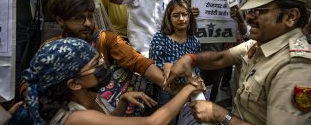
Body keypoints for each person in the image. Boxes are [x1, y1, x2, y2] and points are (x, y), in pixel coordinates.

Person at [164, 0, 311, 125]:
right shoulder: (260, 44)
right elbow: (220, 58)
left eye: (260, 10)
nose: (249, 17)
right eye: (251, 10)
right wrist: (190, 59)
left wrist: (220, 115)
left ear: (290, 16)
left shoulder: (297, 69)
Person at [21, 38, 206, 124]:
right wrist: (188, 88)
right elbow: (153, 123)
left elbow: (107, 122)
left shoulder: (79, 101)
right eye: (95, 64)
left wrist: (123, 101)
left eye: (100, 59)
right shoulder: (77, 118)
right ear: (74, 83)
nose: (103, 65)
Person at [149, 0, 201, 109]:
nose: (181, 19)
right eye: (176, 15)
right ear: (169, 18)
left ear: (189, 17)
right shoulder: (160, 38)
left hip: (188, 90)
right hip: (166, 91)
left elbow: (197, 67)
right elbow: (152, 64)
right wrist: (165, 65)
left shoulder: (195, 41)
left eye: (184, 14)